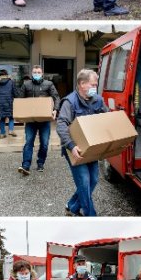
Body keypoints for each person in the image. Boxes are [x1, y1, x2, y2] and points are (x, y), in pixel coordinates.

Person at [56, 70, 108, 216]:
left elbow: (108, 118)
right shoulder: (69, 102)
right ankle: (90, 215)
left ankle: (72, 205)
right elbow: (61, 125)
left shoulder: (98, 100)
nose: (95, 87)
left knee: (94, 180)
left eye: (96, 85)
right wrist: (71, 146)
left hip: (91, 147)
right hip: (74, 148)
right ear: (82, 84)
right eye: (93, 84)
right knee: (84, 181)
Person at [18, 64, 59, 175]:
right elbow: (20, 101)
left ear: (42, 73)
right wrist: (20, 113)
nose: (36, 74)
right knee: (29, 142)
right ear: (32, 74)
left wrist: (55, 109)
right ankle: (25, 165)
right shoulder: (26, 85)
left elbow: (56, 97)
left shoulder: (48, 84)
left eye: (38, 72)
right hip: (31, 120)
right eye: (35, 72)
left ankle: (40, 162)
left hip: (44, 120)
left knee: (44, 143)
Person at [0, 69, 17, 139]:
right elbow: (15, 92)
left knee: (2, 118)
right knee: (11, 117)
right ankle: (11, 130)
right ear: (6, 75)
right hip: (9, 102)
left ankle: (2, 133)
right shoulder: (11, 82)